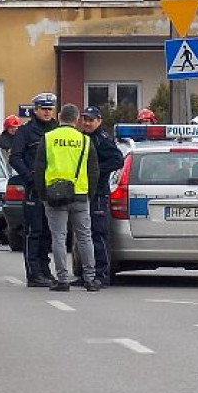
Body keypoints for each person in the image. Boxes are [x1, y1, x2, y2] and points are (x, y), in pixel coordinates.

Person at [34, 103, 100, 292]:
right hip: (80, 195)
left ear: (60, 116)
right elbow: (94, 171)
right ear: (77, 118)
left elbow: (39, 169)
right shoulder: (85, 140)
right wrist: (89, 194)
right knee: (85, 238)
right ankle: (90, 278)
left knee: (58, 238)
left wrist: (43, 195)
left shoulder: (48, 138)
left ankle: (62, 279)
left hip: (54, 195)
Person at [10, 93, 59, 287]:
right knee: (34, 231)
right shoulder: (26, 132)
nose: (47, 112)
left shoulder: (57, 129)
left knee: (48, 232)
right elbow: (15, 157)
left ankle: (45, 269)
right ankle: (34, 273)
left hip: (54, 189)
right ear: (35, 110)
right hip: (34, 189)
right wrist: (30, 178)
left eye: (50, 109)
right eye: (43, 109)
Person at [81, 105, 124, 287]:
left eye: (91, 120)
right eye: (84, 119)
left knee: (98, 234)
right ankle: (87, 274)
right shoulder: (84, 138)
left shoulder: (101, 139)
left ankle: (102, 274)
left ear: (99, 121)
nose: (87, 123)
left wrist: (96, 171)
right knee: (84, 235)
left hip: (98, 193)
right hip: (85, 192)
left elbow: (117, 159)